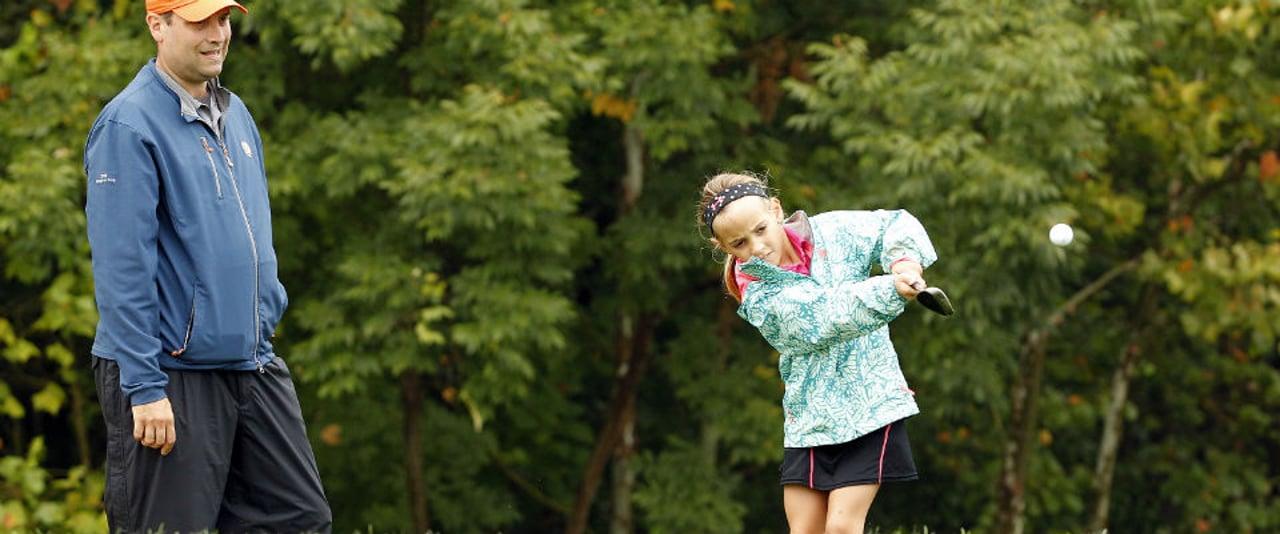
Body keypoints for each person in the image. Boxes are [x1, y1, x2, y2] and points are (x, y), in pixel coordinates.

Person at [83, 0, 332, 532]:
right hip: (169, 372)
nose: (217, 32)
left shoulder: (236, 112)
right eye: (200, 20)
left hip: (251, 362)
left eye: (223, 20)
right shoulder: (127, 125)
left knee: (300, 518)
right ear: (158, 25)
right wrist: (145, 388)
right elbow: (121, 267)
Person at [697, 172, 936, 534]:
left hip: (870, 403)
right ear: (723, 246)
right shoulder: (759, 294)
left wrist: (904, 265)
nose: (757, 248)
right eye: (739, 243)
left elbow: (893, 224)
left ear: (776, 209)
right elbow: (823, 318)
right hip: (810, 418)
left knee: (841, 527)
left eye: (761, 230)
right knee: (805, 530)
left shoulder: (834, 231)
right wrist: (891, 290)